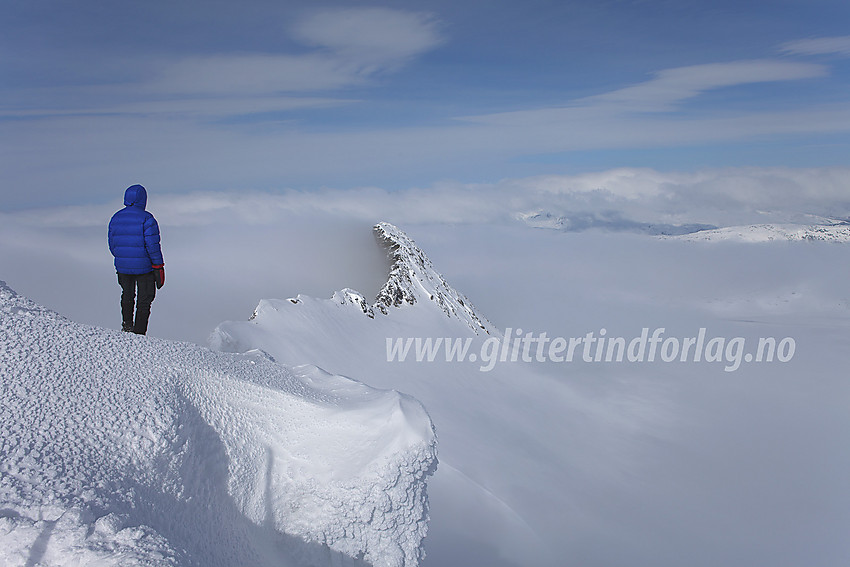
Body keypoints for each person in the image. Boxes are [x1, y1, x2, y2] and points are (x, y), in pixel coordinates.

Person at [107, 184, 165, 335]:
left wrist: (121, 257)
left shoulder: (116, 217)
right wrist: (158, 266)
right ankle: (139, 333)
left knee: (127, 294)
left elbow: (112, 244)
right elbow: (153, 246)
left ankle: (127, 325)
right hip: (144, 267)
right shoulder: (147, 218)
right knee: (144, 300)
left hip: (122, 265)